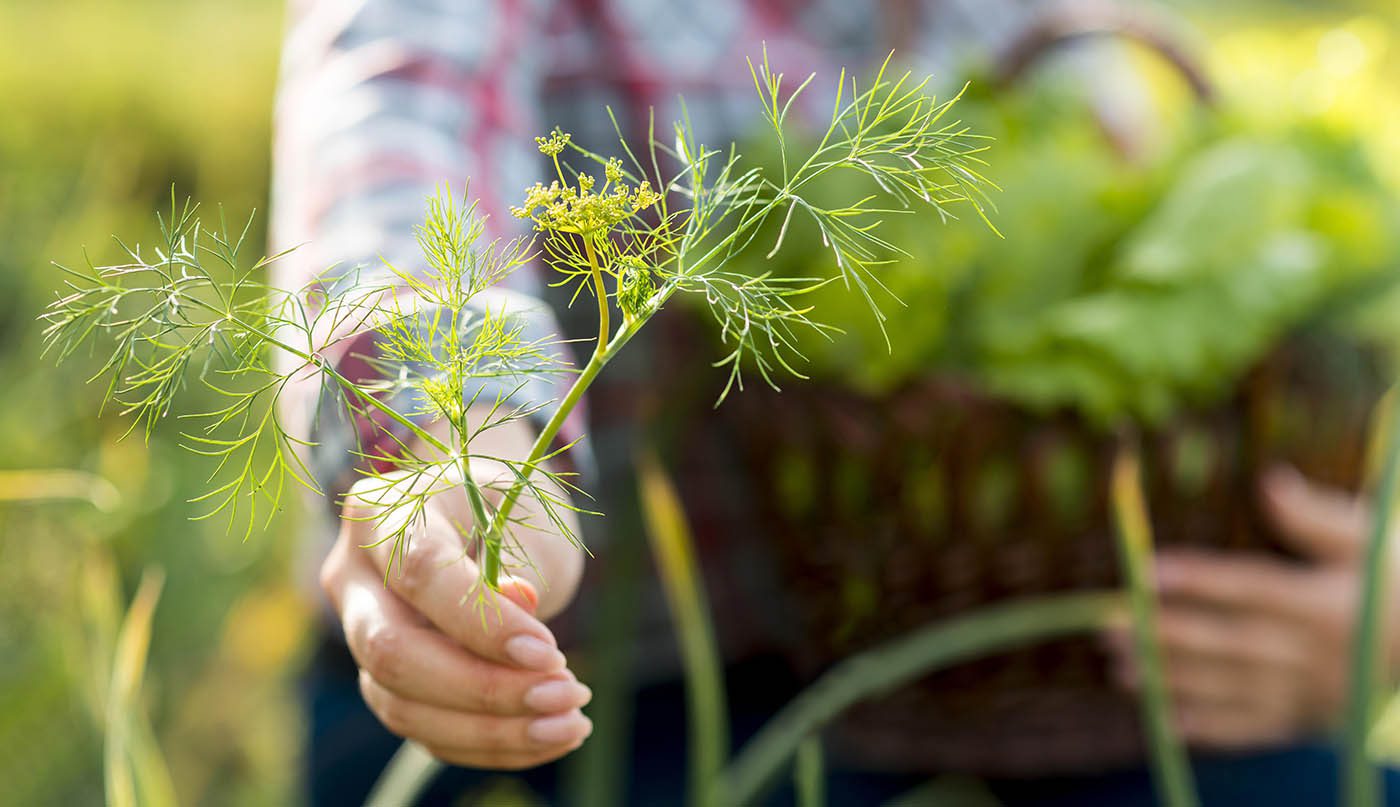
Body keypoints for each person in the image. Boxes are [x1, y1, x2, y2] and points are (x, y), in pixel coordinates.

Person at [270, 0, 1400, 803]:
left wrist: (1368, 610)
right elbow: (396, 176)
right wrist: (457, 451)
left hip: (973, 665)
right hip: (584, 686)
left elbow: (1149, 235)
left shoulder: (1026, 34)